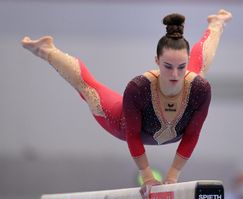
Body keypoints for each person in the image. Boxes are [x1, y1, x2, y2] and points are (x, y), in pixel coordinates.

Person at [21, 9, 232, 186]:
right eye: (168, 66)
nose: (175, 75)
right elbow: (132, 135)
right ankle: (46, 50)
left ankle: (217, 23)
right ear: (156, 61)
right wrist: (148, 177)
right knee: (89, 90)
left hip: (177, 133)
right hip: (123, 126)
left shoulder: (199, 89)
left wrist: (172, 177)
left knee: (199, 71)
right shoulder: (139, 87)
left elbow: (192, 135)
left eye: (181, 67)